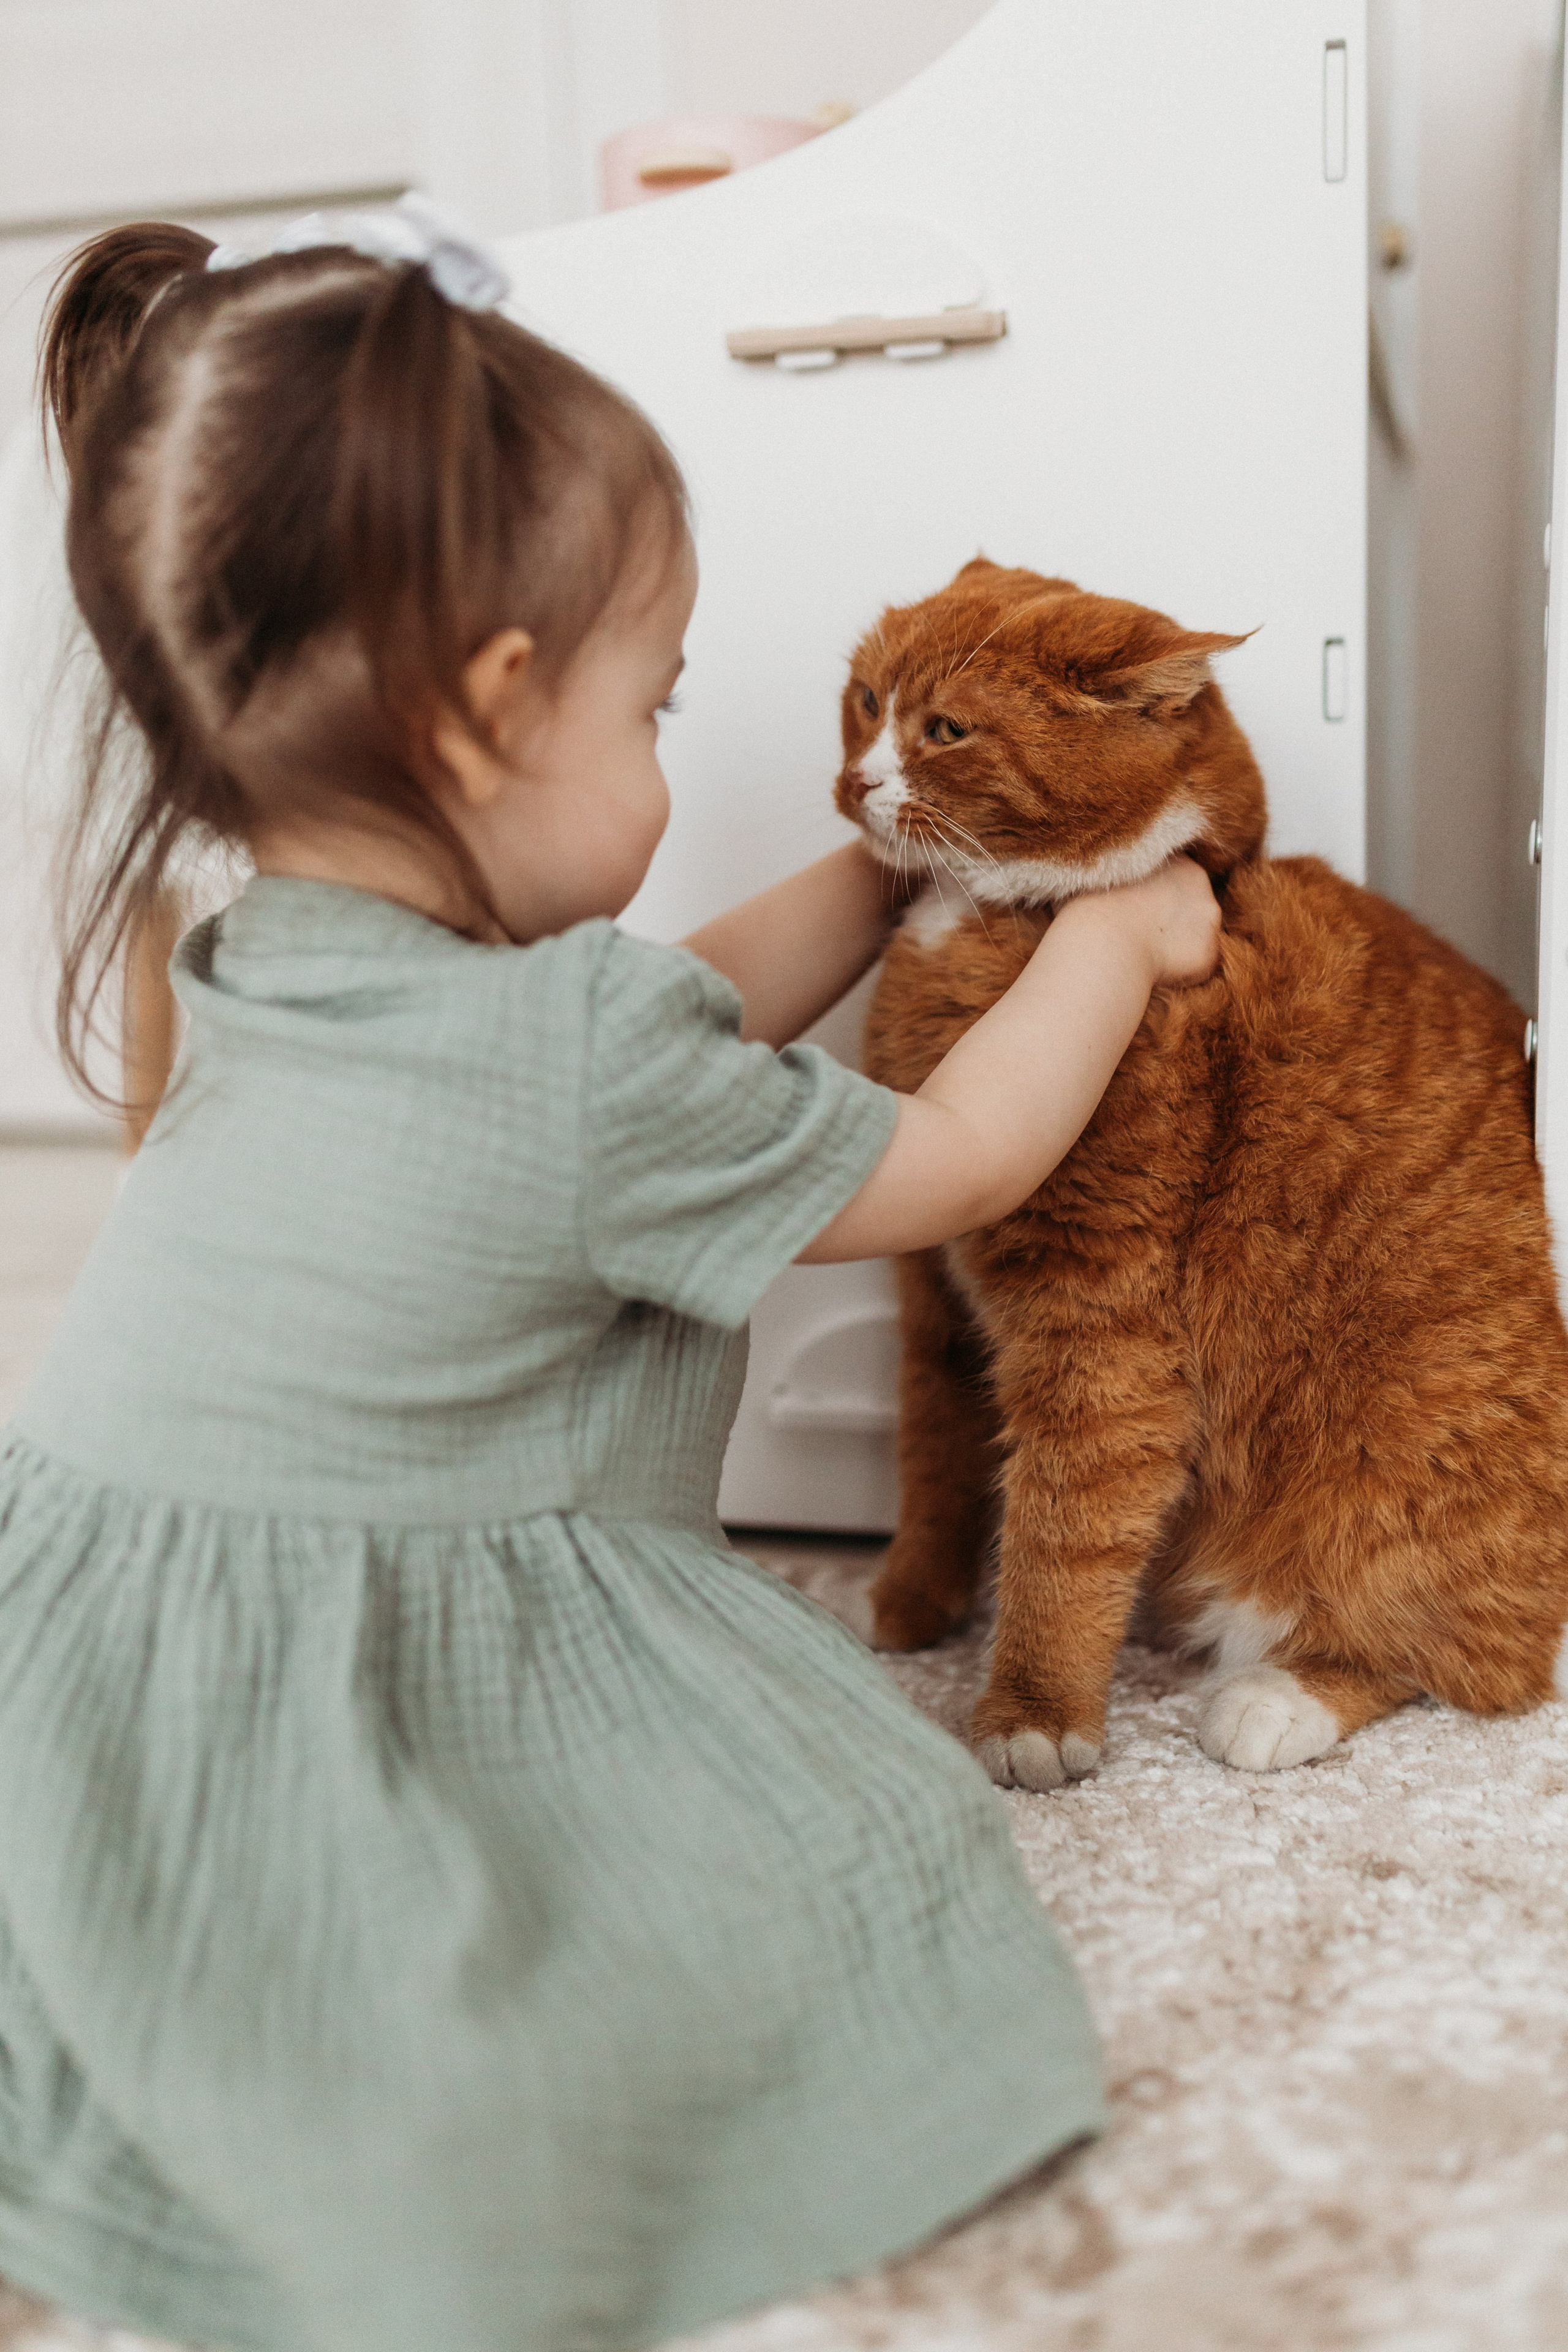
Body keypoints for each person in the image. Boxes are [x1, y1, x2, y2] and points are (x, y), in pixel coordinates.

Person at [0, 199, 1221, 2352]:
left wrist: (891, 860)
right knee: (823, 1883)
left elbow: (668, 1019)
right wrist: (1116, 935)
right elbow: (959, 1157)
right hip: (361, 1651)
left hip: (92, 1640)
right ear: (487, 714)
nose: (675, 747)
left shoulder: (253, 951)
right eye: (656, 708)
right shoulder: (576, 1063)